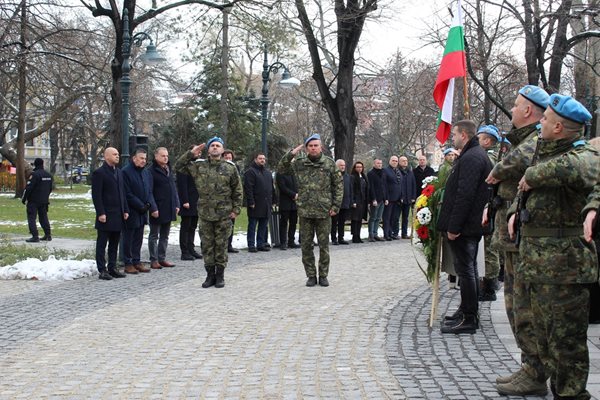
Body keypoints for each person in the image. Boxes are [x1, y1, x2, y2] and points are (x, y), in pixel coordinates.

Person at [507, 94, 599, 399]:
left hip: (564, 267)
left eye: (545, 119)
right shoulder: (544, 151)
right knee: (545, 338)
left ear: (559, 127)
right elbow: (525, 193)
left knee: (566, 343)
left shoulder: (582, 155)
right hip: (537, 264)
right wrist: (513, 212)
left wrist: (533, 176)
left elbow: (584, 167)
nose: (540, 123)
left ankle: (571, 395)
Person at [484, 85, 549, 395]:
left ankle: (536, 372)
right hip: (510, 235)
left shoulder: (534, 142)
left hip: (522, 236)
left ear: (528, 111)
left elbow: (501, 171)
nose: (511, 109)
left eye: (516, 105)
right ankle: (529, 366)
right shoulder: (518, 140)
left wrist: (499, 171)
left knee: (523, 308)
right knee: (513, 306)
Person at [437, 119, 492, 334]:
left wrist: (454, 226)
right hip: (470, 224)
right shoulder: (472, 155)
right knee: (467, 268)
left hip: (466, 226)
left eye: (455, 134)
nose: (453, 138)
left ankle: (469, 318)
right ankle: (466, 310)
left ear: (464, 135)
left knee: (466, 270)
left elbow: (465, 195)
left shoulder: (472, 157)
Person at [175, 137, 242, 288]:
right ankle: (209, 275)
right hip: (205, 213)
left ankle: (220, 276)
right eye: (212, 145)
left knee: (221, 245)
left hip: (224, 214)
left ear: (223, 150)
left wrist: (236, 209)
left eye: (218, 146)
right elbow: (179, 166)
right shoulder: (199, 166)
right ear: (208, 149)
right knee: (207, 246)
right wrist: (191, 153)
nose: (215, 148)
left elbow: (237, 190)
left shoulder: (230, 168)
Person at [278, 133, 342, 287]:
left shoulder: (329, 164)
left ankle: (323, 275)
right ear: (306, 148)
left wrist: (335, 206)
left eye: (316, 145)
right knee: (306, 246)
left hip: (324, 211)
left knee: (324, 246)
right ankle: (311, 275)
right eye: (310, 146)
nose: (313, 148)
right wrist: (291, 153)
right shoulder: (300, 163)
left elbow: (338, 186)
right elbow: (281, 169)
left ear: (321, 147)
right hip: (305, 210)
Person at [91, 147, 129, 280]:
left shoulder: (118, 172)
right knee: (102, 243)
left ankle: (112, 267)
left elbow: (122, 193)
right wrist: (101, 212)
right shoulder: (99, 173)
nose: (117, 156)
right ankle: (102, 269)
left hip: (118, 214)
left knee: (114, 242)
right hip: (105, 214)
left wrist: (125, 210)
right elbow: (96, 195)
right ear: (107, 156)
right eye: (114, 154)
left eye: (118, 154)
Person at [476, 124, 503, 301]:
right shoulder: (487, 156)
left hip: (490, 207)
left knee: (490, 248)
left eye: (479, 138)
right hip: (488, 206)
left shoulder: (489, 158)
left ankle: (490, 286)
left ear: (487, 141)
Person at [122, 148, 156, 274]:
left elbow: (148, 190)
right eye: (141, 158)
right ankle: (128, 262)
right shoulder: (126, 172)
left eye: (145, 159)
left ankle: (137, 260)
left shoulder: (146, 173)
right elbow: (127, 193)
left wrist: (148, 204)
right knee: (128, 238)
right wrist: (140, 205)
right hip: (131, 210)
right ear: (134, 158)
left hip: (143, 210)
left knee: (138, 238)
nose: (143, 161)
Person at [148, 147, 180, 270]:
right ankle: (153, 259)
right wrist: (153, 208)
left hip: (169, 207)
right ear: (156, 157)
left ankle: (162, 258)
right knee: (154, 235)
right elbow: (149, 192)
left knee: (165, 235)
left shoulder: (168, 169)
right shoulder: (151, 171)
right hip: (157, 208)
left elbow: (173, 188)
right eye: (163, 156)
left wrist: (177, 204)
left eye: (167, 156)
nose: (166, 158)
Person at [244, 153, 274, 252]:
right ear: (255, 159)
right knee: (252, 225)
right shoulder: (250, 172)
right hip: (255, 203)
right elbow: (248, 188)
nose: (262, 160)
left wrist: (274, 201)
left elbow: (271, 188)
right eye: (260, 158)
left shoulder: (268, 173)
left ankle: (260, 244)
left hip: (266, 204)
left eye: (263, 159)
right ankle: (251, 245)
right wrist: (251, 201)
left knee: (263, 225)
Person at [177, 149, 202, 261]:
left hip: (196, 201)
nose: (199, 154)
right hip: (188, 201)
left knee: (193, 226)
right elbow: (182, 185)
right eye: (197, 152)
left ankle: (191, 249)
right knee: (186, 226)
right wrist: (185, 201)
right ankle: (185, 251)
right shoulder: (184, 168)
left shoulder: (196, 166)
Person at [22, 158, 53, 242]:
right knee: (43, 217)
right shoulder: (49, 175)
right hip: (44, 200)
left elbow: (29, 188)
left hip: (33, 201)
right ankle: (48, 235)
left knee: (31, 218)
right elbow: (50, 188)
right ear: (42, 164)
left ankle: (35, 236)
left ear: (35, 164)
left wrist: (24, 199)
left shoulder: (35, 175)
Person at [276, 170, 299, 250]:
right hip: (285, 202)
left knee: (293, 222)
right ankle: (283, 242)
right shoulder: (280, 172)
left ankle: (291, 241)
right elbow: (282, 187)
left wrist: (298, 194)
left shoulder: (295, 172)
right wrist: (293, 194)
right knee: (284, 223)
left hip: (295, 203)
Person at [331, 159, 352, 245]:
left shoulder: (347, 176)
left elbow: (350, 189)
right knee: (334, 222)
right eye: (341, 165)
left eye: (343, 165)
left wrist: (350, 201)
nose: (343, 167)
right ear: (336, 166)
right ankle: (334, 238)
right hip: (335, 204)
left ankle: (341, 238)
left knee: (342, 222)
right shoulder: (333, 176)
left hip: (345, 203)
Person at [223, 149, 239, 253]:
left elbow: (237, 187)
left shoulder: (235, 168)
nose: (228, 160)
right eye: (226, 158)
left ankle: (229, 245)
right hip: (220, 202)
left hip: (231, 201)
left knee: (231, 224)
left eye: (230, 158)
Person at [367, 159, 387, 242]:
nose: (379, 165)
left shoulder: (383, 172)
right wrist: (373, 199)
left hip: (382, 198)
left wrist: (386, 198)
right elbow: (371, 187)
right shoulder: (371, 173)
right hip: (375, 199)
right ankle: (371, 234)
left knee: (378, 218)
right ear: (374, 164)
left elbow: (385, 186)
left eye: (381, 163)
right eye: (378, 163)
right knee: (373, 217)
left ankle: (375, 234)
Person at [382, 156, 401, 241]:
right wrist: (386, 198)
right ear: (389, 161)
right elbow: (384, 185)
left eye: (396, 161)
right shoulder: (386, 171)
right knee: (387, 217)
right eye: (393, 161)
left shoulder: (397, 171)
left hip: (397, 199)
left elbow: (400, 184)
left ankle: (391, 233)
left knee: (393, 217)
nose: (394, 162)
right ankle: (386, 234)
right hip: (389, 198)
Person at [398, 156, 416, 239]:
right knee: (396, 217)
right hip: (399, 199)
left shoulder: (410, 172)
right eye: (403, 161)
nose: (405, 162)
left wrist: (413, 196)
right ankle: (394, 233)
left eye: (406, 161)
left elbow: (413, 185)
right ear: (399, 162)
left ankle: (404, 233)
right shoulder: (397, 171)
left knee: (405, 217)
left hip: (408, 198)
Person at [350, 161, 368, 243]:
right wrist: (353, 201)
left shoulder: (363, 176)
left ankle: (358, 235)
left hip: (363, 201)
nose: (359, 168)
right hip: (356, 201)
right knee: (355, 219)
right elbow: (352, 190)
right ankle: (355, 236)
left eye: (360, 167)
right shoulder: (353, 177)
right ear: (354, 168)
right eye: (357, 167)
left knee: (360, 219)